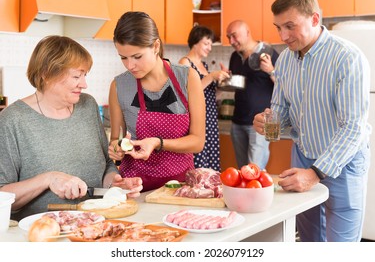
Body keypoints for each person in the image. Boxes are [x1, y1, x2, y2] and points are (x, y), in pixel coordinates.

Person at [253, 0, 371, 242]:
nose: (283, 36)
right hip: (303, 157)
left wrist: (316, 173)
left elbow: (353, 128)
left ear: (315, 19)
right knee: (308, 241)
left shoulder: (346, 58)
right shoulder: (284, 60)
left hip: (344, 163)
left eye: (290, 26)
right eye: (278, 27)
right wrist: (268, 123)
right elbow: (282, 114)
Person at [0, 35, 143, 221]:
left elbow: (106, 164)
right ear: (46, 73)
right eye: (76, 76)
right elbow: (3, 195)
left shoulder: (88, 105)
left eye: (85, 75)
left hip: (99, 222)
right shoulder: (12, 120)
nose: (84, 84)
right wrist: (47, 179)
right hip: (45, 232)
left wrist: (114, 185)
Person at [108, 11, 206, 192]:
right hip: (135, 187)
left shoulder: (187, 78)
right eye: (123, 57)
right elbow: (117, 138)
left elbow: (198, 141)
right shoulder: (119, 86)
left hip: (180, 185)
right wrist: (116, 148)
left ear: (155, 46)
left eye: (137, 57)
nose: (130, 65)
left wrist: (157, 142)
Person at [225, 20, 279, 169]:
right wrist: (227, 78)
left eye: (235, 36)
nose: (231, 41)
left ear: (248, 33)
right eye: (229, 37)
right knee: (243, 172)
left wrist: (271, 71)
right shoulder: (235, 57)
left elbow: (285, 86)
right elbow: (241, 85)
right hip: (238, 121)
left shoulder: (269, 53)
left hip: (263, 122)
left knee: (255, 171)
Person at [179, 25, 230, 171]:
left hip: (210, 118)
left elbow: (210, 95)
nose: (209, 48)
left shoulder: (204, 65)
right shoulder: (185, 63)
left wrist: (221, 85)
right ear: (196, 41)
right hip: (196, 118)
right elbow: (186, 94)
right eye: (206, 43)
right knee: (198, 161)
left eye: (210, 44)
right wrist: (211, 76)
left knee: (211, 162)